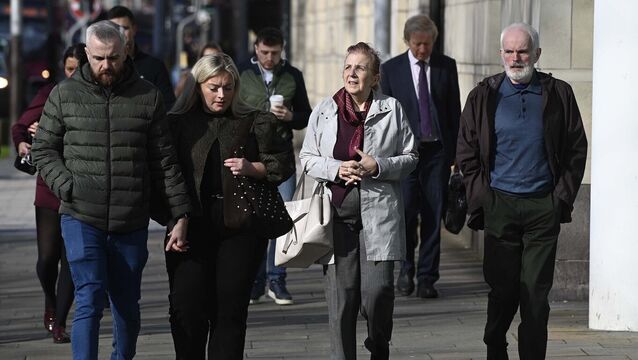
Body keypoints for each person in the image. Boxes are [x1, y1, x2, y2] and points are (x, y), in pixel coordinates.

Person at [31, 20, 191, 360]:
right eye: (100, 58)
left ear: (126, 52)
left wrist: (180, 214)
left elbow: (164, 160)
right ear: (87, 54)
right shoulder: (65, 94)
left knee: (126, 306)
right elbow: (43, 149)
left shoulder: (147, 97)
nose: (107, 66)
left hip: (130, 218)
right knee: (88, 298)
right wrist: (66, 186)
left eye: (114, 58)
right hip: (80, 216)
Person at [456, 23, 588, 360]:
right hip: (500, 204)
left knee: (535, 295)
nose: (516, 58)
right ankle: (495, 347)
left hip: (543, 206)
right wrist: (482, 198)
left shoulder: (558, 93)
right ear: (501, 54)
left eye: (523, 51)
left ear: (537, 54)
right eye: (510, 51)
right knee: (503, 291)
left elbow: (576, 148)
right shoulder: (483, 95)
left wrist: (560, 198)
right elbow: (466, 152)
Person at [160, 53, 294, 359]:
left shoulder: (253, 120)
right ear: (197, 86)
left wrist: (252, 168)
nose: (221, 95)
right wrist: (176, 216)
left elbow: (282, 162)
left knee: (229, 311)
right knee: (187, 308)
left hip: (240, 225)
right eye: (214, 87)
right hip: (189, 225)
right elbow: (164, 174)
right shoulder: (177, 124)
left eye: (228, 87)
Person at [299, 42, 418, 360]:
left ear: (375, 77)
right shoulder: (325, 110)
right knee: (343, 299)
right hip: (336, 214)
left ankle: (379, 343)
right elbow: (308, 158)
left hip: (378, 214)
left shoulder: (392, 109)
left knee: (377, 292)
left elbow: (410, 158)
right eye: (348, 66)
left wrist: (377, 166)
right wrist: (337, 168)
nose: (352, 73)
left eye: (361, 67)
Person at [380, 14, 461, 299]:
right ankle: (405, 270)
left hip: (436, 152)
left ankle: (427, 277)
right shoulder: (391, 70)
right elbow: (384, 117)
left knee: (432, 213)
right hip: (404, 154)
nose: (423, 50)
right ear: (407, 41)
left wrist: (456, 154)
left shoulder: (446, 66)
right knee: (404, 214)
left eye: (427, 44)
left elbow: (454, 111)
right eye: (418, 44)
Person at [11, 43, 86, 344]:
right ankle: (50, 302)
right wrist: (23, 143)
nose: (74, 75)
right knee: (47, 259)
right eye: (69, 69)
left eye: (79, 69)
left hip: (80, 189)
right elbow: (20, 126)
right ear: (62, 68)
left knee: (71, 259)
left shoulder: (95, 98)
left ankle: (60, 322)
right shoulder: (51, 92)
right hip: (49, 187)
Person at [238, 26, 312, 305]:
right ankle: (256, 282)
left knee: (283, 219)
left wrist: (290, 115)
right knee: (255, 220)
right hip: (252, 152)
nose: (269, 57)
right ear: (256, 49)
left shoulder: (293, 75)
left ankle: (277, 280)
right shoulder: (243, 72)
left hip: (281, 155)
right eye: (265, 52)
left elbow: (305, 115)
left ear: (282, 51)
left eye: (275, 52)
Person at [107, 5, 176, 110]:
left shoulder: (155, 67)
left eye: (124, 28)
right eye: (114, 29)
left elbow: (169, 106)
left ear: (134, 29)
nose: (120, 34)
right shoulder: (104, 67)